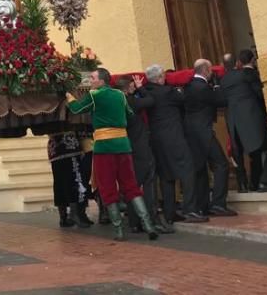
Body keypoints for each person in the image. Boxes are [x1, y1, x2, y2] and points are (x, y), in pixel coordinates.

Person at [66, 68, 157, 241]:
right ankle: (148, 225)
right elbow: (130, 115)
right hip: (123, 145)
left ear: (101, 81)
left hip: (104, 147)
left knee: (108, 187)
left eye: (92, 78)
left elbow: (77, 109)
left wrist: (69, 98)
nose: (91, 81)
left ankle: (118, 230)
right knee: (131, 186)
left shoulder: (95, 95)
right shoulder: (120, 95)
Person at [142, 65, 205, 223]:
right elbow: (183, 99)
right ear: (159, 78)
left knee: (166, 176)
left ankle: (170, 213)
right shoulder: (168, 91)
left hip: (156, 140)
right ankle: (190, 209)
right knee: (188, 170)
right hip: (174, 138)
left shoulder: (145, 91)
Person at [116, 75, 172, 234]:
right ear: (127, 88)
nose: (135, 87)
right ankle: (153, 221)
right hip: (141, 148)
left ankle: (134, 222)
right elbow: (150, 100)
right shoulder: (131, 101)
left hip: (127, 148)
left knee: (132, 186)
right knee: (149, 184)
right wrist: (141, 88)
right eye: (132, 86)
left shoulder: (117, 102)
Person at [221, 49, 267, 193]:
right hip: (253, 119)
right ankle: (266, 182)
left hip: (235, 124)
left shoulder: (223, 81)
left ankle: (249, 184)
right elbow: (260, 94)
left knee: (252, 155)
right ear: (237, 63)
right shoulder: (245, 75)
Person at [184, 60, 237, 217]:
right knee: (221, 164)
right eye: (210, 70)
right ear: (206, 70)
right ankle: (218, 204)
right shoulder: (202, 87)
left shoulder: (188, 86)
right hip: (204, 132)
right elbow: (220, 100)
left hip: (192, 133)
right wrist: (218, 86)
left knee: (200, 169)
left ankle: (203, 205)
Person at [46, 132, 90, 228]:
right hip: (69, 148)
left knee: (60, 183)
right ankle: (74, 215)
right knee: (73, 181)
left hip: (55, 149)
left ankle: (63, 217)